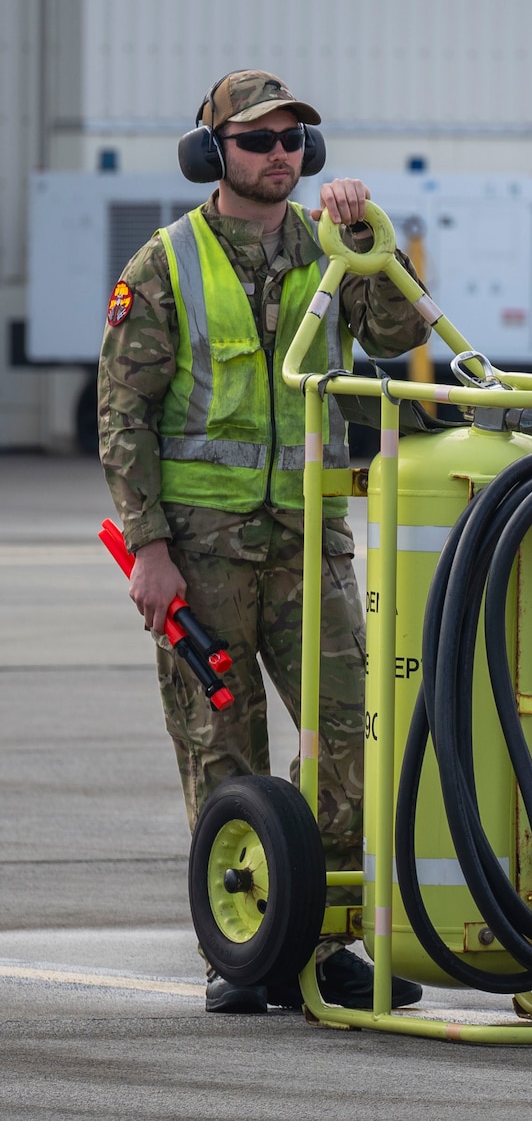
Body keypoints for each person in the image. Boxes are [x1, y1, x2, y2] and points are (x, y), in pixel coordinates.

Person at [99, 70, 430, 1014]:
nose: (279, 154)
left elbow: (399, 332)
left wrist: (369, 241)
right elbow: (124, 415)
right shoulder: (164, 265)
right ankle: (243, 951)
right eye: (257, 140)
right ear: (213, 154)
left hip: (306, 542)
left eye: (293, 140)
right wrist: (149, 548)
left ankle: (321, 945)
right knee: (221, 750)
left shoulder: (332, 249)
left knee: (355, 735)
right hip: (200, 553)